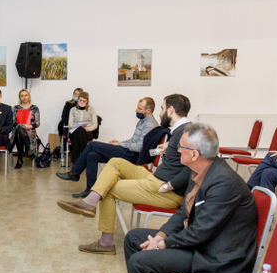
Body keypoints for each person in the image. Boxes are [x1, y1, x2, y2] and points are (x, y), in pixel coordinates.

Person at [124, 123, 258, 273]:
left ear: (194, 154)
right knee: (134, 239)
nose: (176, 150)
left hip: (216, 258)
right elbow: (183, 214)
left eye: (181, 147)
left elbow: (201, 231)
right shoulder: (200, 172)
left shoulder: (223, 182)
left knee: (141, 262)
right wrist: (160, 236)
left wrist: (162, 245)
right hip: (203, 245)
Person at [57, 94, 192, 255]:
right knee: (116, 162)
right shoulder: (182, 131)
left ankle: (106, 243)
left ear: (171, 110)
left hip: (166, 190)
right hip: (156, 178)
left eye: (162, 109)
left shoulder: (186, 133)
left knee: (107, 189)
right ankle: (90, 201)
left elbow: (192, 168)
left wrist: (169, 185)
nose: (160, 113)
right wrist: (168, 146)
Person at [57, 97, 158, 195]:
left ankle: (75, 173)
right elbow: (133, 141)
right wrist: (120, 142)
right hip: (128, 151)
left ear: (148, 111)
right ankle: (89, 190)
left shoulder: (150, 125)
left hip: (132, 156)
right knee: (92, 155)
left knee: (92, 145)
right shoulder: (143, 121)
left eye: (140, 109)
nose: (136, 110)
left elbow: (140, 147)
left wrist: (120, 144)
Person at [10, 89, 40, 169]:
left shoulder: (34, 108)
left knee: (19, 132)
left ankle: (20, 159)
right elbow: (13, 122)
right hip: (18, 129)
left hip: (30, 131)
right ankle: (29, 149)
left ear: (29, 96)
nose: (24, 97)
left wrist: (28, 126)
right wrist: (22, 126)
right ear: (19, 98)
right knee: (19, 130)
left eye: (26, 95)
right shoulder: (16, 108)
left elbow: (37, 123)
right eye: (22, 96)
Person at [67, 91, 98, 163]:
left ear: (87, 101)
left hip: (87, 132)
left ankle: (75, 161)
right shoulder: (73, 110)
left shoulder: (92, 109)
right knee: (78, 131)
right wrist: (77, 128)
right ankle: (85, 155)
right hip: (74, 131)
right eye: (80, 100)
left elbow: (95, 124)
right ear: (78, 100)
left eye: (84, 101)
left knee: (76, 136)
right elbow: (70, 125)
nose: (82, 102)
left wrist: (88, 129)